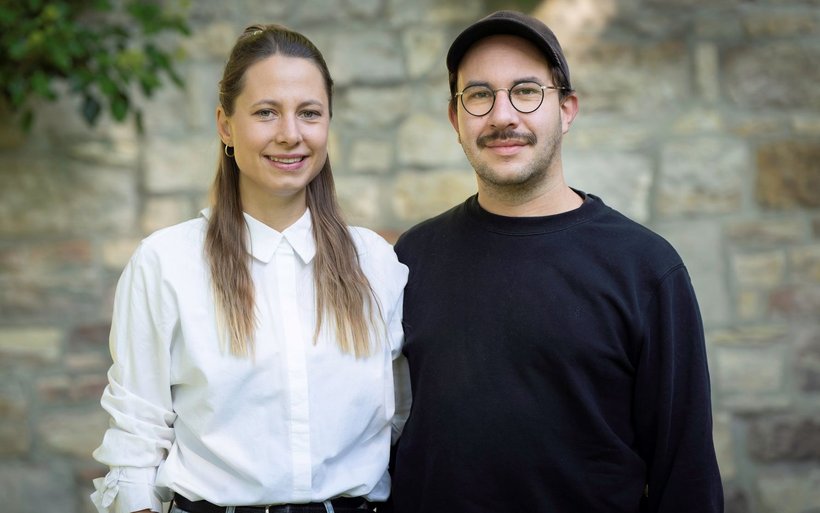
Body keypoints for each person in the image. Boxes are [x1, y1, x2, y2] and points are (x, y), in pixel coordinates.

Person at [389, 10, 723, 513]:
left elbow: (686, 475)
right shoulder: (411, 260)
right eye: (478, 95)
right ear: (456, 119)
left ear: (566, 110)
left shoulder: (645, 269)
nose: (502, 116)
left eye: (526, 91)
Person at [90, 24, 410, 513]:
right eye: (266, 112)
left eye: (309, 113)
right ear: (225, 125)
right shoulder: (166, 263)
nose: (290, 134)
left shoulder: (375, 263)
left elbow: (399, 417)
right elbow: (136, 439)